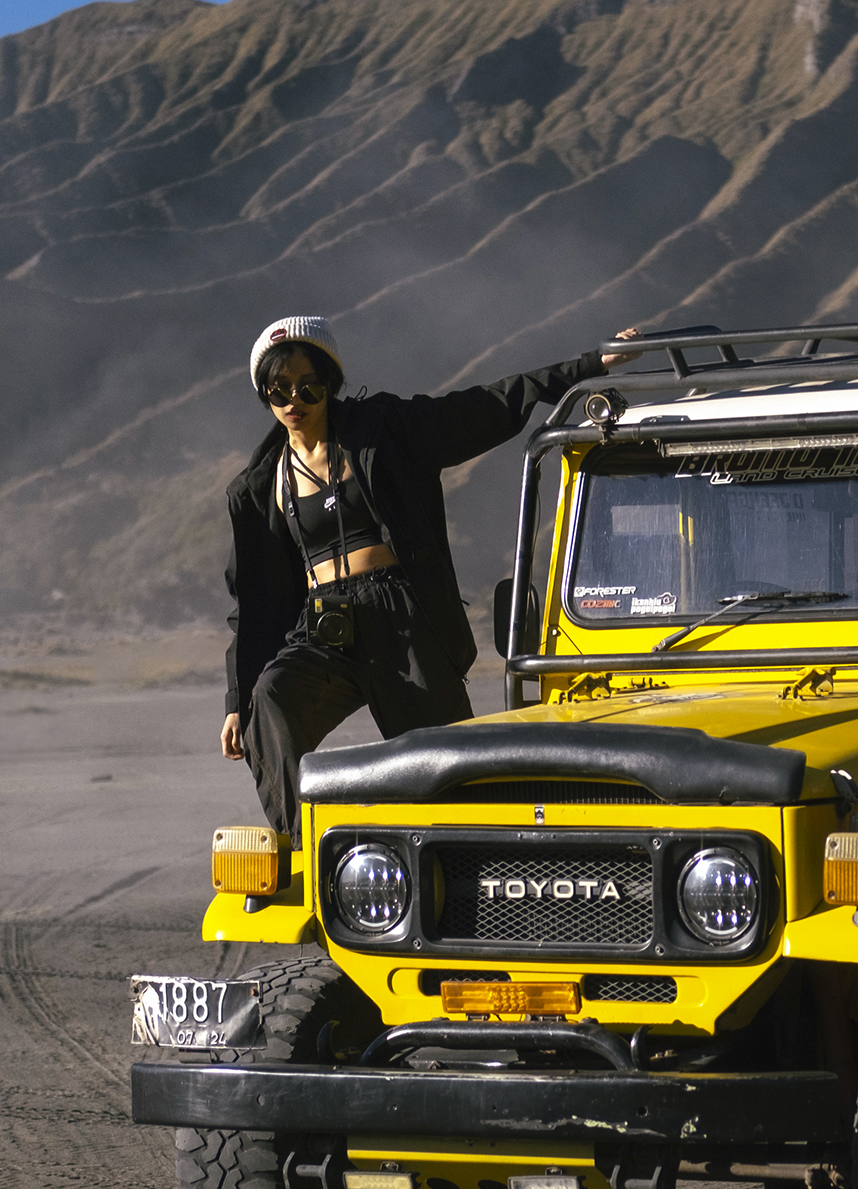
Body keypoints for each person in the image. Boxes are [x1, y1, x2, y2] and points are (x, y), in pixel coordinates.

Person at [220, 314, 629, 845]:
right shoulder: (258, 486)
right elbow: (252, 605)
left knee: (451, 772)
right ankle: (309, 849)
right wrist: (236, 698)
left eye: (307, 384)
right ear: (265, 395)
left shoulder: (385, 430)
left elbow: (487, 404)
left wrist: (591, 365)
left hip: (402, 619)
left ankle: (485, 862)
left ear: (331, 383)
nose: (293, 398)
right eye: (278, 389)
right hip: (324, 625)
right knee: (269, 701)